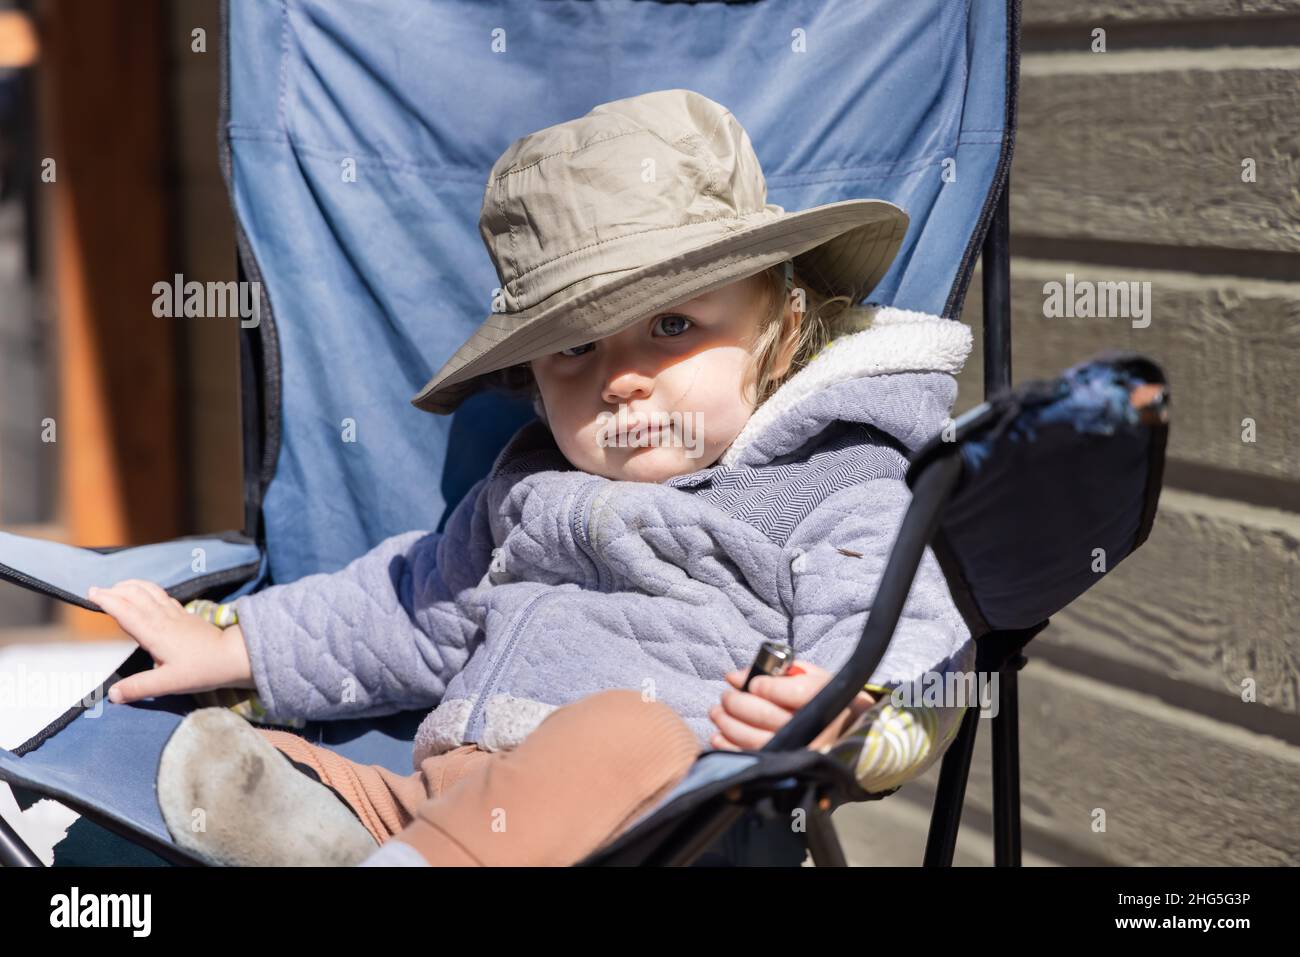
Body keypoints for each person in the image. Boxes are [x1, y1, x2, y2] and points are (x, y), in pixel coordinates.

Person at [89, 89, 975, 866]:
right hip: (449, 804)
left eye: (671, 325)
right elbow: (403, 611)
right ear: (534, 378)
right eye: (577, 348)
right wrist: (240, 648)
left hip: (672, 825)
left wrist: (855, 715)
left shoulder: (829, 480)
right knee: (236, 767)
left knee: (627, 727)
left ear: (780, 327)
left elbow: (909, 626)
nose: (620, 377)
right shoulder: (526, 492)